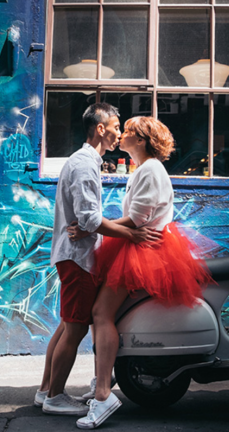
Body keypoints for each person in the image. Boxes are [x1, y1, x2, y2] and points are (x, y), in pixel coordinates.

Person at [68, 116, 212, 429]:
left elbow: (135, 219)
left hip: (144, 249)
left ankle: (104, 394)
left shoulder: (150, 169)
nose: (122, 135)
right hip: (137, 246)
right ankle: (101, 381)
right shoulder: (144, 169)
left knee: (101, 313)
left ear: (142, 140)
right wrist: (94, 228)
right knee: (106, 316)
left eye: (129, 132)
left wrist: (89, 228)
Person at [35, 104, 161, 416]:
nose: (120, 132)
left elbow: (88, 219)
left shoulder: (85, 161)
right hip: (78, 259)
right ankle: (54, 396)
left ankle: (44, 391)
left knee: (66, 327)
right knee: (75, 329)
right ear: (101, 129)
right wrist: (130, 235)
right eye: (116, 126)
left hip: (76, 255)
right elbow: (89, 219)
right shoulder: (84, 164)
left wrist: (92, 224)